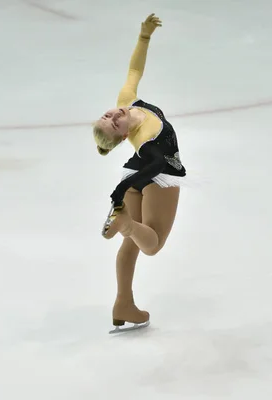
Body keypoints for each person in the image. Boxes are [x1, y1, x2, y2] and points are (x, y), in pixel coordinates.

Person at [92, 13, 187, 329]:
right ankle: (126, 222)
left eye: (108, 114)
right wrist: (126, 213)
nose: (116, 113)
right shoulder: (144, 139)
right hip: (158, 176)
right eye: (114, 122)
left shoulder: (128, 103)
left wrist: (144, 36)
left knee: (128, 244)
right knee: (153, 243)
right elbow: (158, 164)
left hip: (134, 173)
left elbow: (134, 71)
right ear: (121, 136)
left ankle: (123, 303)